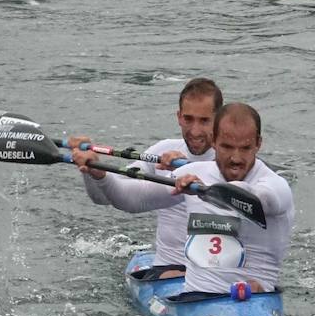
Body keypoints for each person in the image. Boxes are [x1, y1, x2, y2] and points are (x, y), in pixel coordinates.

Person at [74, 102, 293, 297]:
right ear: (214, 141)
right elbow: (131, 200)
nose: (236, 158)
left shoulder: (274, 185)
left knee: (253, 289)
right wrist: (99, 174)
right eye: (227, 147)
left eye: (245, 148)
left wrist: (208, 189)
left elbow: (261, 200)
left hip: (255, 300)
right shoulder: (194, 172)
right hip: (196, 299)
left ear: (258, 144)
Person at [68, 77, 222, 279]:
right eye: (188, 119)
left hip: (220, 272)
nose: (195, 130)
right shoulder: (163, 150)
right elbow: (104, 197)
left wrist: (189, 168)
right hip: (168, 269)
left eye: (204, 121)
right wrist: (92, 169)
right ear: (178, 117)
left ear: (219, 120)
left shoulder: (234, 165)